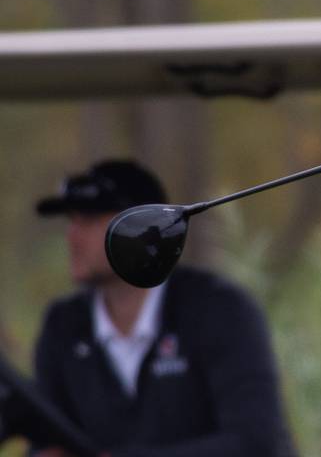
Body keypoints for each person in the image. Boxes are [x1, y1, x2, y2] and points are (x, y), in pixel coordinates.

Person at [30, 159, 296, 457]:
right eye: (71, 221)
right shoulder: (63, 325)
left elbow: (256, 443)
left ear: (147, 229)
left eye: (88, 221)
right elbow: (44, 439)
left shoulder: (220, 310)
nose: (72, 236)